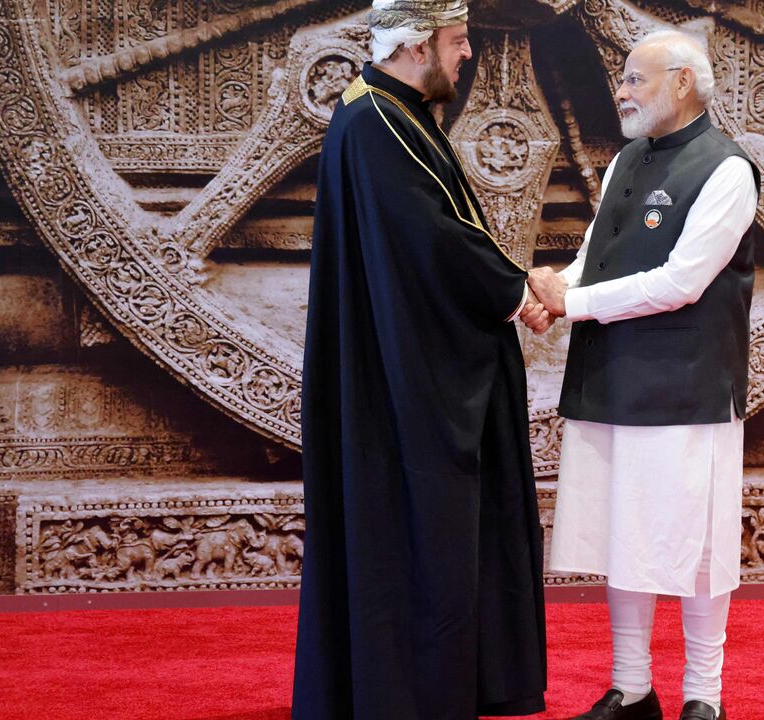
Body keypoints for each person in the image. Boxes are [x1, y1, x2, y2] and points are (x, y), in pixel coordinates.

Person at [292, 1, 553, 718]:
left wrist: (508, 284)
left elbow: (438, 232)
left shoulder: (384, 111)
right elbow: (433, 239)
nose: (466, 55)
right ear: (415, 45)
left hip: (398, 356)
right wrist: (516, 290)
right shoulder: (377, 119)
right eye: (458, 41)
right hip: (405, 377)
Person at [527, 29, 760, 720]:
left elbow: (682, 283)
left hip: (686, 387)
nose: (622, 92)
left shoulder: (727, 171)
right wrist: (553, 295)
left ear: (683, 83)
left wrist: (573, 304)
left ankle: (704, 697)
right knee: (623, 535)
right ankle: (632, 688)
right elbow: (596, 256)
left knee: (695, 544)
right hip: (612, 376)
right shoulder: (629, 158)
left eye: (635, 80)